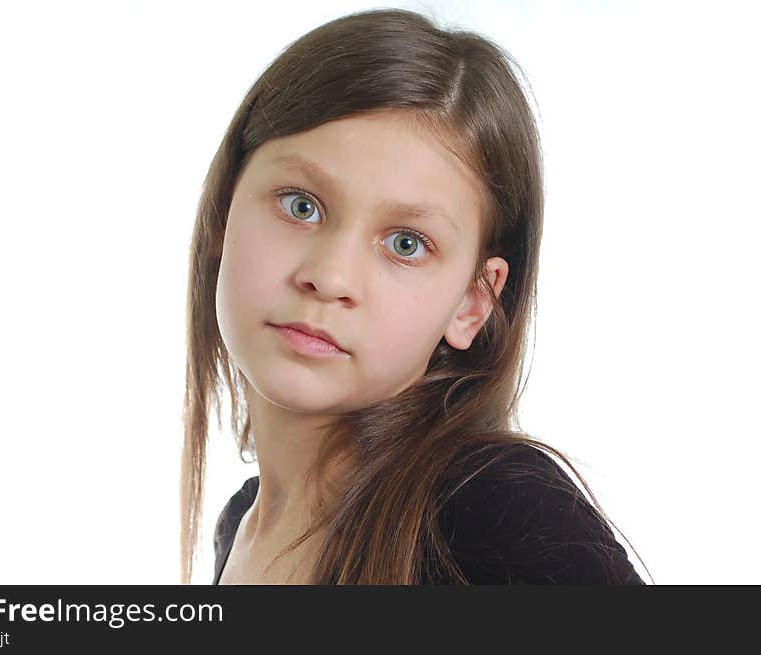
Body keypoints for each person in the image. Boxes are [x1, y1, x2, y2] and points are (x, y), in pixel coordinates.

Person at [181, 7, 651, 585]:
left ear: (472, 303)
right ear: (224, 212)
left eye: (406, 244)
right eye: (301, 206)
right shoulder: (236, 528)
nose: (330, 278)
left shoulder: (492, 511)